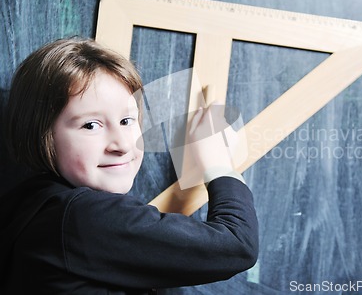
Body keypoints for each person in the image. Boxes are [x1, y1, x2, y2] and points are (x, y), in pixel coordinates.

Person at [0, 37, 258, 294]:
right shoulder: (82, 216)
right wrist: (218, 164)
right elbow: (237, 245)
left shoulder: (35, 202)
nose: (122, 144)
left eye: (126, 120)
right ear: (41, 133)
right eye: (91, 125)